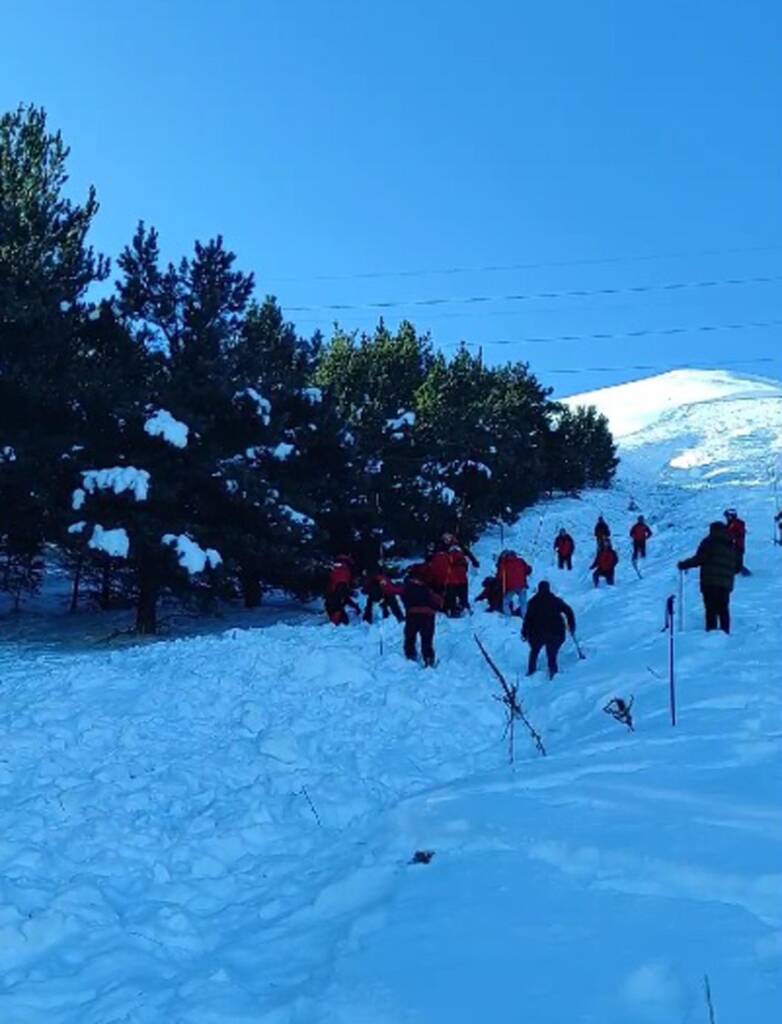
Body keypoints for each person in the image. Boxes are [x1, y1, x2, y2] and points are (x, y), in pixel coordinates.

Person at [678, 521, 738, 633]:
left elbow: (699, 558)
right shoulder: (730, 544)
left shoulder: (709, 542)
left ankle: (711, 634)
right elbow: (736, 565)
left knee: (711, 609)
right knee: (723, 608)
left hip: (710, 581)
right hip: (726, 583)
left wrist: (684, 564)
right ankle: (725, 633)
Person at [521, 580, 576, 680]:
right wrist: (571, 625)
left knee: (534, 652)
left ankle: (531, 671)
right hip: (555, 631)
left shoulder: (533, 602)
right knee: (552, 653)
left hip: (537, 632)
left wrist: (524, 632)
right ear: (548, 588)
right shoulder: (555, 600)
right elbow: (568, 611)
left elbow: (528, 619)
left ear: (539, 589)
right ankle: (553, 672)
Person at [400, 564, 444, 666]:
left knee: (410, 636)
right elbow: (438, 603)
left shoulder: (407, 587)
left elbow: (404, 598)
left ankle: (410, 655)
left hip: (412, 614)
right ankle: (428, 659)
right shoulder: (429, 588)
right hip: (428, 615)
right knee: (427, 639)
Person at [325, 555, 361, 625]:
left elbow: (344, 596)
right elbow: (343, 595)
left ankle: (336, 618)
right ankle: (336, 620)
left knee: (336, 602)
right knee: (344, 621)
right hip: (334, 599)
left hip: (331, 595)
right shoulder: (343, 576)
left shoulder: (337, 571)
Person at [497, 549, 533, 616]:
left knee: (506, 602)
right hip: (522, 585)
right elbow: (528, 570)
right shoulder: (520, 561)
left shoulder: (504, 564)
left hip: (511, 587)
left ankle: (508, 617)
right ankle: (524, 617)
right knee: (523, 603)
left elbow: (500, 576)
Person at [445, 543, 472, 617]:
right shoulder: (463, 557)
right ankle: (464, 607)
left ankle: (453, 610)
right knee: (463, 595)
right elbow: (466, 567)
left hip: (452, 580)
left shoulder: (448, 556)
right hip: (463, 579)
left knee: (452, 596)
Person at [724, 509, 749, 575]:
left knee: (737, 562)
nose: (726, 518)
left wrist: (731, 536)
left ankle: (746, 575)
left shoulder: (738, 523)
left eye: (728, 516)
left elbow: (740, 533)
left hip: (737, 546)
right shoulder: (729, 524)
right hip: (732, 546)